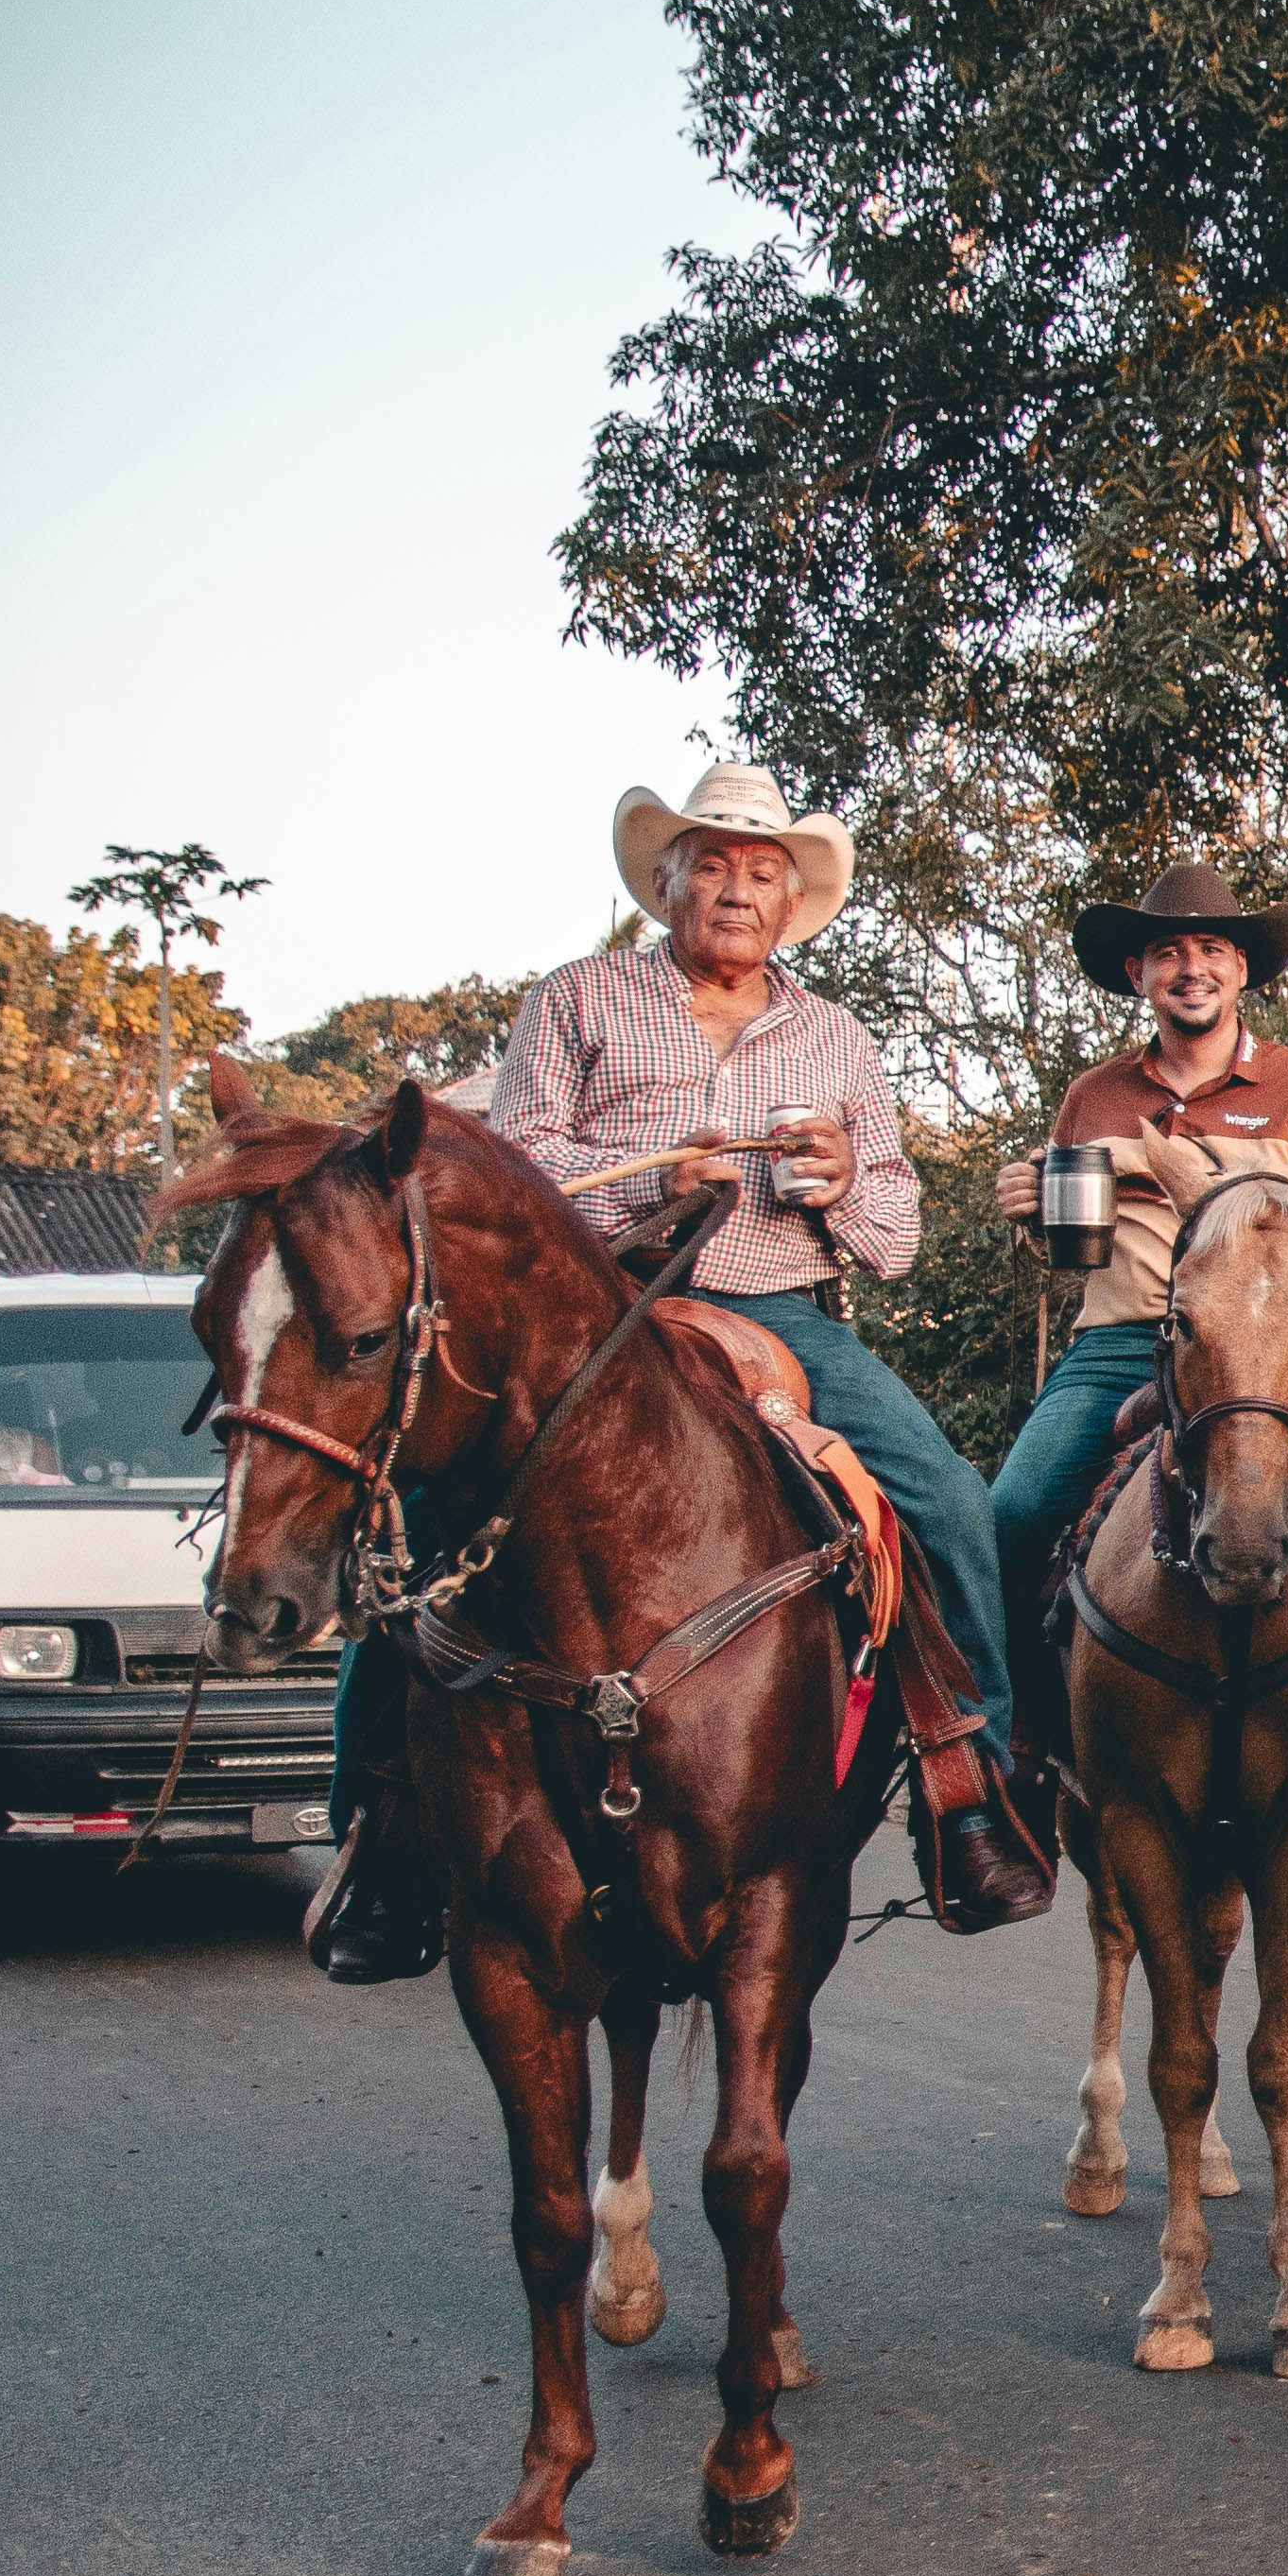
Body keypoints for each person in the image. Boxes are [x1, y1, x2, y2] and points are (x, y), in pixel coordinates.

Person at [304, 761, 1053, 1981]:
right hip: (594, 1320)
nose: (736, 889)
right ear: (667, 883)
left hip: (779, 1311)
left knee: (951, 1507)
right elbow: (517, 1159)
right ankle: (375, 1842)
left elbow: (902, 1236)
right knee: (425, 1533)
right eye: (712, 864)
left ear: (792, 901)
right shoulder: (579, 999)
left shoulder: (838, 1039)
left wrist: (840, 1176)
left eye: (762, 872)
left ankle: (970, 1797)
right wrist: (666, 1169)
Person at [980, 861, 1288, 1875]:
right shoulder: (1095, 1095)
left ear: (1241, 969)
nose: (1189, 968)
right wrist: (1032, 1215)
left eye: (1210, 950)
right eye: (1168, 952)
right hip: (1118, 1342)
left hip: (1269, 1350)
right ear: (1138, 973)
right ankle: (1011, 1754)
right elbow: (1069, 1250)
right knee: (1011, 1515)